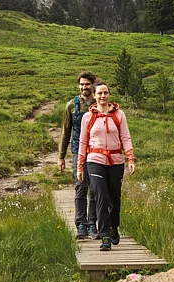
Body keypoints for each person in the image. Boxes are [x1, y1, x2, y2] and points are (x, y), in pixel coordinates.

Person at [76, 80, 136, 251]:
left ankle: (113, 227)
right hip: (94, 160)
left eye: (105, 93)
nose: (103, 96)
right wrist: (80, 166)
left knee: (114, 199)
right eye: (99, 93)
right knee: (100, 196)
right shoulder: (88, 117)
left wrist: (130, 159)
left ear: (109, 95)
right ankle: (105, 236)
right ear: (94, 96)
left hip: (116, 161)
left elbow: (126, 137)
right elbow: (82, 142)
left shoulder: (119, 115)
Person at [58, 71, 98, 239]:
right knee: (81, 186)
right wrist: (61, 156)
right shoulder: (71, 106)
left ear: (92, 85)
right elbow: (65, 131)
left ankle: (92, 225)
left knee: (95, 188)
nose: (83, 87)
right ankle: (81, 224)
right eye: (81, 84)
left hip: (97, 151)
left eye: (87, 84)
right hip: (77, 151)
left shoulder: (100, 103)